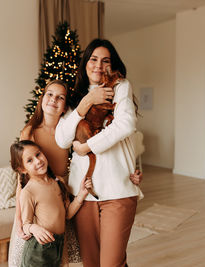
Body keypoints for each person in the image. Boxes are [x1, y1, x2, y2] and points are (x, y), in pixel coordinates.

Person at [8, 80, 143, 266]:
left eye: (60, 97)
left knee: (64, 256)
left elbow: (96, 152)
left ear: (65, 107)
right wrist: (20, 221)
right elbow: (22, 181)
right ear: (41, 99)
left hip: (63, 195)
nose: (53, 100)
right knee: (36, 257)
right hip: (39, 203)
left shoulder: (71, 129)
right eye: (49, 94)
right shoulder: (30, 132)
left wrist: (131, 171)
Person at [55, 38, 143, 267]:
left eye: (105, 61)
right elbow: (63, 139)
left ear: (112, 66)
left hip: (118, 191)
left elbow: (125, 125)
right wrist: (86, 103)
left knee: (112, 263)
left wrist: (86, 147)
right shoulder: (76, 97)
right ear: (85, 63)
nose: (98, 66)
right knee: (91, 263)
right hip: (84, 195)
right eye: (93, 59)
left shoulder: (121, 86)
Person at [10, 140, 92, 267]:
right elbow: (26, 224)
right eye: (29, 160)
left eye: (38, 154)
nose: (38, 161)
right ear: (22, 169)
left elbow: (67, 215)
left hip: (59, 245)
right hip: (39, 249)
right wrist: (34, 228)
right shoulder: (28, 191)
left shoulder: (58, 182)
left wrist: (81, 194)